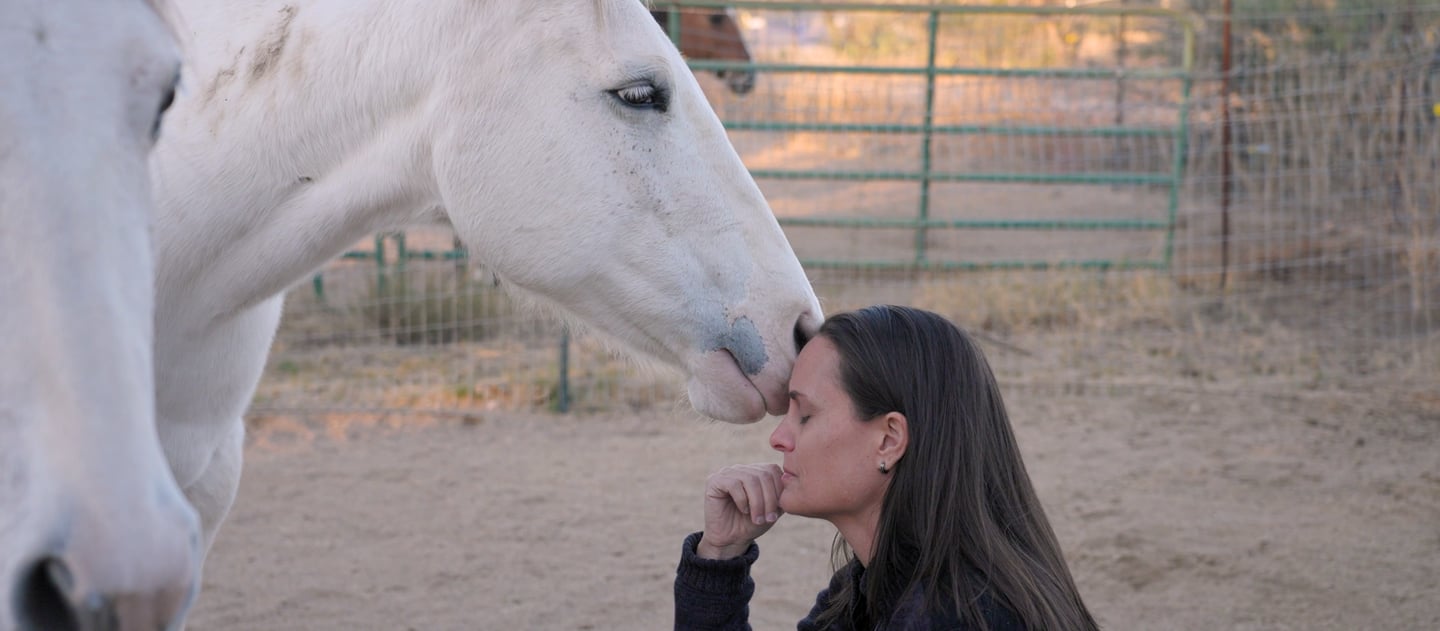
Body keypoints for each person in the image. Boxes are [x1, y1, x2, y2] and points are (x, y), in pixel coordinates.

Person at [673, 305, 1098, 631]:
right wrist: (720, 556)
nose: (778, 439)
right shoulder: (874, 587)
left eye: (805, 415)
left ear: (890, 440)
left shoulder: (953, 615)